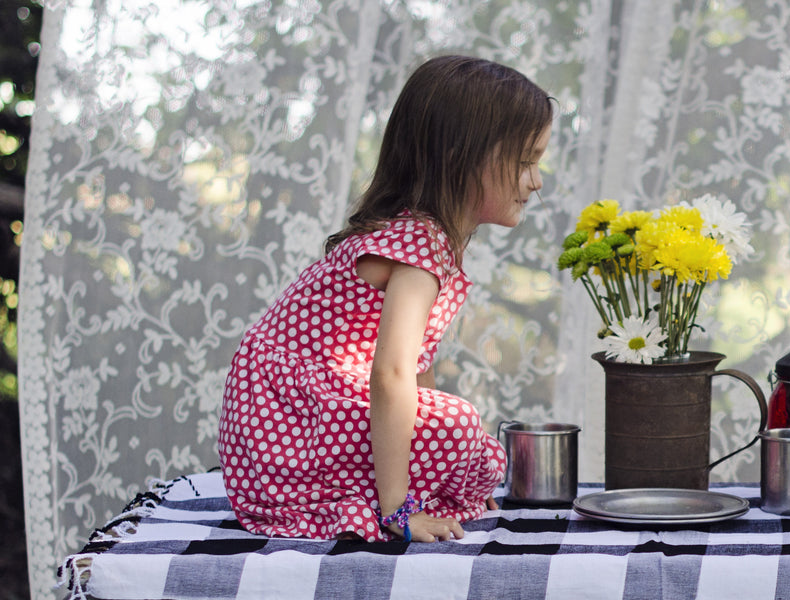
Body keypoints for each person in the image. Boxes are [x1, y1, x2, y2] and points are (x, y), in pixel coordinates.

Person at [218, 55, 552, 542]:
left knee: (462, 432)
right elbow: (392, 375)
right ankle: (384, 505)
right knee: (459, 423)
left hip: (289, 419)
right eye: (525, 162)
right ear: (463, 156)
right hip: (285, 424)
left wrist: (444, 466)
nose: (536, 181)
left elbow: (418, 372)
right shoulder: (418, 247)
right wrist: (400, 510)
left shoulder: (417, 236)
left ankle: (400, 493)